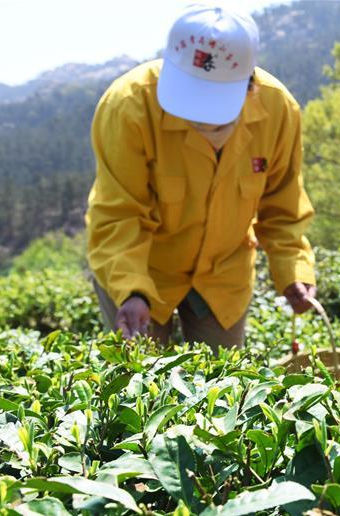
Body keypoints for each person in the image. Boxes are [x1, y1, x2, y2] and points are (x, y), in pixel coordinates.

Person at [86, 4, 317, 351]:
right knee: (140, 382)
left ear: (250, 85)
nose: (202, 122)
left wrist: (293, 270)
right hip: (141, 266)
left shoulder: (279, 111)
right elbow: (119, 212)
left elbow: (283, 206)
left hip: (223, 274)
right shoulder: (128, 106)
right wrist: (129, 289)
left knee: (221, 384)